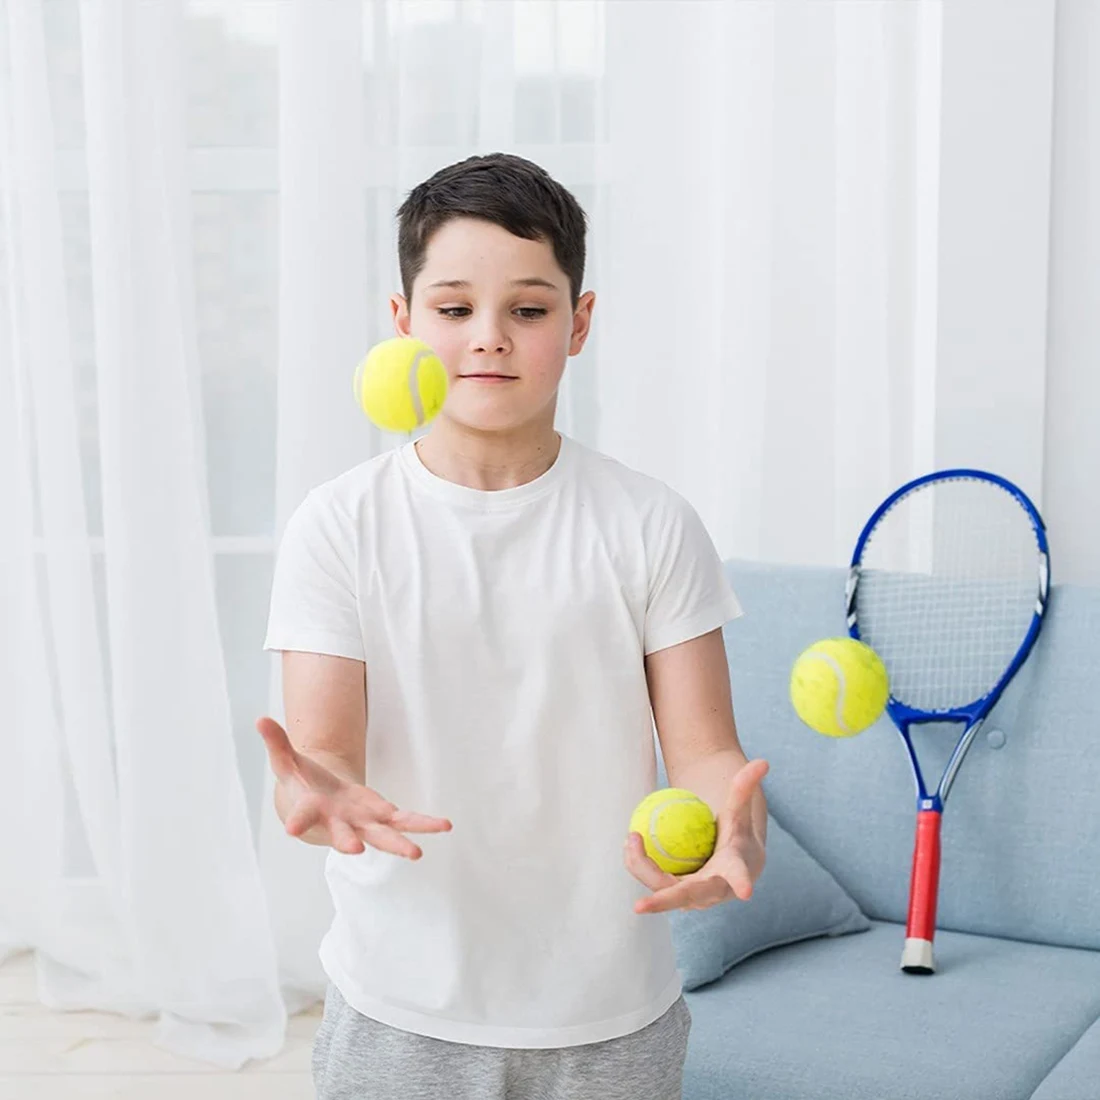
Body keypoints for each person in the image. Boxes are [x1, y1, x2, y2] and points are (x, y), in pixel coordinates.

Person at [257, 152, 769, 1100]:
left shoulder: (651, 523)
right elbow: (327, 751)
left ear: (579, 324)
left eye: (527, 310)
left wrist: (734, 831)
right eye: (454, 309)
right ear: (403, 322)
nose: (488, 338)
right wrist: (322, 794)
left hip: (611, 1012)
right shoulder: (338, 524)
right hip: (399, 1005)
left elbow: (706, 754)